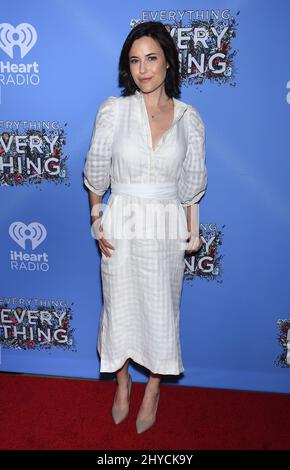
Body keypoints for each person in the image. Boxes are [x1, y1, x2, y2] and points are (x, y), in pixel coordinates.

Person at [83, 21, 208, 434]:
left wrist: (194, 229)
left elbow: (191, 183)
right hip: (122, 222)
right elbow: (96, 174)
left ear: (168, 62)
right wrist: (97, 219)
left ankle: (153, 386)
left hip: (166, 226)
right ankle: (122, 384)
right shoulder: (113, 111)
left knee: (162, 311)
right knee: (117, 309)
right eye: (135, 61)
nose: (143, 69)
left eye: (151, 58)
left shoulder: (190, 119)